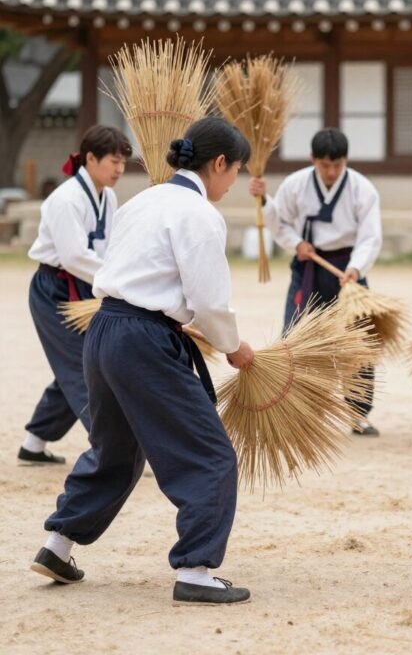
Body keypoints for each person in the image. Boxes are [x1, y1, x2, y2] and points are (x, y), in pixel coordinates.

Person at [31, 118, 254, 606]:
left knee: (116, 449)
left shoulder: (142, 199)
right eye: (235, 170)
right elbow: (209, 300)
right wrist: (233, 346)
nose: (234, 181)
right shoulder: (199, 214)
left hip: (106, 330)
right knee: (210, 454)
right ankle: (195, 569)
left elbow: (126, 272)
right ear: (219, 164)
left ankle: (58, 544)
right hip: (144, 341)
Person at [250, 127, 382, 436]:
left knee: (358, 341)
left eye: (338, 165)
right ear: (313, 160)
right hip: (308, 268)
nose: (332, 172)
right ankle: (296, 410)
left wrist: (356, 268)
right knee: (295, 337)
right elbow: (278, 220)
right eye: (325, 165)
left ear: (346, 161)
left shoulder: (363, 189)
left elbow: (371, 237)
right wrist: (294, 241)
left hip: (348, 272)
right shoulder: (295, 184)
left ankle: (358, 413)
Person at [20, 126, 131, 465]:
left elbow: (109, 245)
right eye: (114, 161)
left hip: (87, 287)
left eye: (123, 162)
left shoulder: (108, 197)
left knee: (83, 364)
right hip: (54, 290)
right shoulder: (65, 199)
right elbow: (72, 257)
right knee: (86, 369)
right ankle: (113, 451)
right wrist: (117, 282)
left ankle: (33, 444)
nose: (120, 169)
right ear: (91, 158)